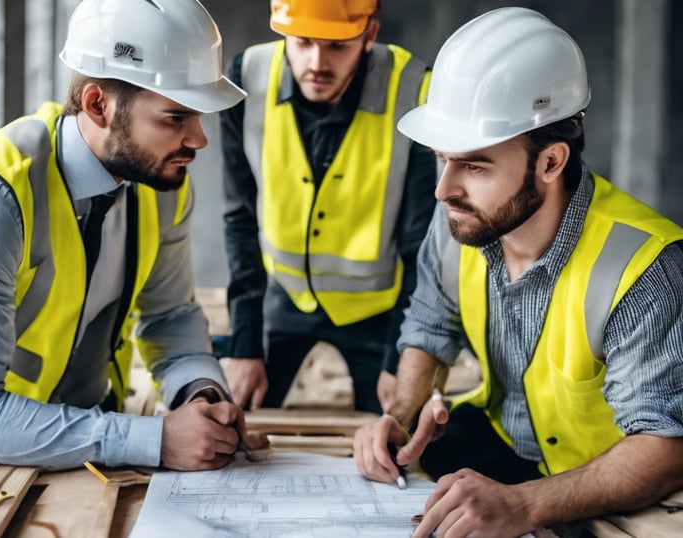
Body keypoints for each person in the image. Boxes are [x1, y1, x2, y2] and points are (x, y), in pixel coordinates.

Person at [353, 7, 683, 537]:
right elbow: (432, 323)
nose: (443, 190)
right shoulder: (465, 218)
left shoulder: (643, 268)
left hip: (607, 479)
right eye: (443, 159)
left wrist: (524, 505)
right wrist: (402, 414)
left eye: (474, 165)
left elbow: (665, 447)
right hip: (507, 443)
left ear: (550, 162)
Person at [0, 0, 267, 493]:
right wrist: (155, 439)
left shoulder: (162, 186)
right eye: (176, 116)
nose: (198, 139)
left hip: (80, 449)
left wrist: (200, 393)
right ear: (98, 105)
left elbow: (169, 315)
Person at [220, 0, 436, 414]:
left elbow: (422, 248)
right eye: (303, 42)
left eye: (337, 45)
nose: (317, 63)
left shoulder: (413, 91)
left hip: (379, 314)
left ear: (370, 34)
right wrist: (244, 345)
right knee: (238, 421)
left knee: (395, 435)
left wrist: (401, 356)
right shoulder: (248, 78)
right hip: (282, 300)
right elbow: (240, 220)